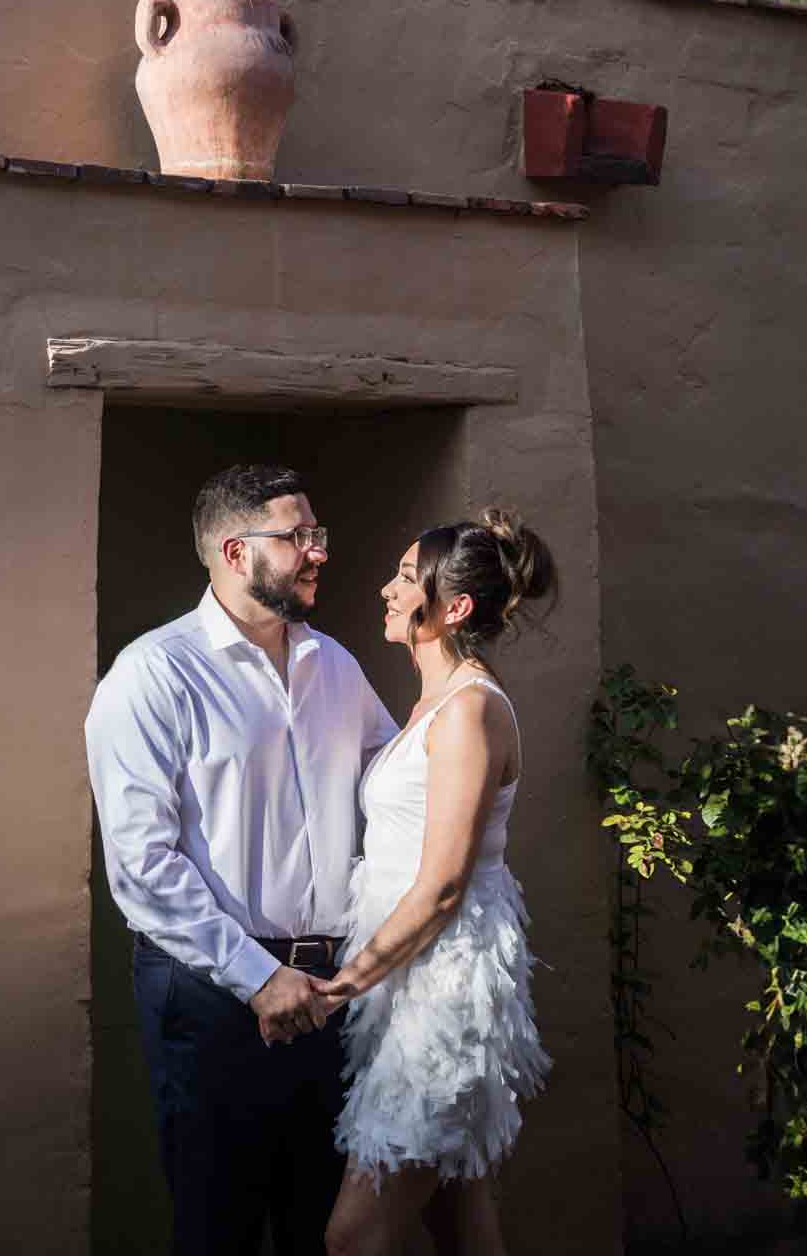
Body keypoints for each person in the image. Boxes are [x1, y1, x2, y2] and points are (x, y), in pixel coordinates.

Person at [85, 463, 396, 1256]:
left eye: (316, 533)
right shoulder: (154, 674)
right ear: (233, 551)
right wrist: (258, 977)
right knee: (217, 1227)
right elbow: (141, 865)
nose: (318, 551)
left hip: (331, 991)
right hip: (210, 996)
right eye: (297, 537)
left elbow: (395, 800)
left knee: (319, 1228)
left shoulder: (335, 666)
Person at [316, 509, 556, 1256]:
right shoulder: (434, 704)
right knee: (458, 1216)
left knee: (352, 1239)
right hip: (404, 982)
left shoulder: (469, 712)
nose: (386, 589)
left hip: (443, 990)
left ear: (452, 609)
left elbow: (443, 886)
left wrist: (335, 989)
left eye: (402, 576)